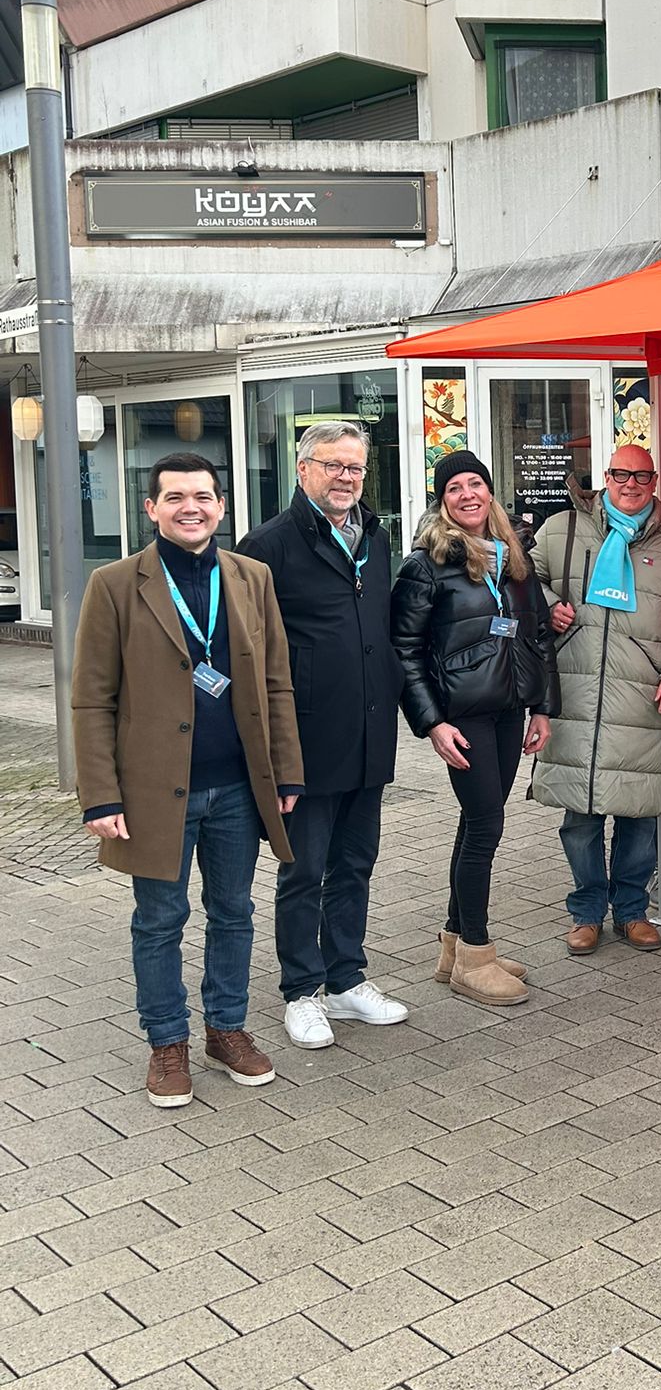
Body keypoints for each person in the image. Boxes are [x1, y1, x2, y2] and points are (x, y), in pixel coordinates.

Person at [72, 452, 302, 1108]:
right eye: (174, 497)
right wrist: (100, 793)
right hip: (152, 792)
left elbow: (277, 682)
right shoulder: (115, 585)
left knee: (234, 912)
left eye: (202, 496)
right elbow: (91, 699)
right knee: (160, 919)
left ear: (221, 506)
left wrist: (286, 770)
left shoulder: (252, 577)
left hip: (237, 789)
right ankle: (167, 1043)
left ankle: (225, 1030)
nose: (190, 508)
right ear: (151, 509)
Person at [238, 421, 407, 1050]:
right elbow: (248, 653)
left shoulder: (377, 539)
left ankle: (346, 978)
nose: (345, 477)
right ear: (303, 468)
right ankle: (301, 991)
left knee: (356, 863)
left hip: (368, 734)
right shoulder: (267, 546)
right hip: (305, 742)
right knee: (303, 871)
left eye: (355, 467)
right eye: (333, 465)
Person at [532, 445, 661, 953]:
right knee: (581, 812)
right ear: (606, 477)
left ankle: (632, 910)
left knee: (640, 811)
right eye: (620, 474)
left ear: (655, 481)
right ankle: (587, 912)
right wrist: (548, 606)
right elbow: (521, 582)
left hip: (644, 694)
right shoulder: (562, 529)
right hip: (577, 689)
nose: (630, 483)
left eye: (641, 475)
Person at [391, 454, 556, 1005]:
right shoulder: (426, 565)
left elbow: (537, 636)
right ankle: (476, 957)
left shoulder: (514, 556)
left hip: (510, 708)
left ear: (490, 492)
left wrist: (542, 708)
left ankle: (455, 947)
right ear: (442, 500)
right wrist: (431, 723)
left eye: (476, 484)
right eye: (454, 487)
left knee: (478, 821)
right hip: (462, 715)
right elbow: (405, 651)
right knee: (485, 825)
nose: (467, 494)